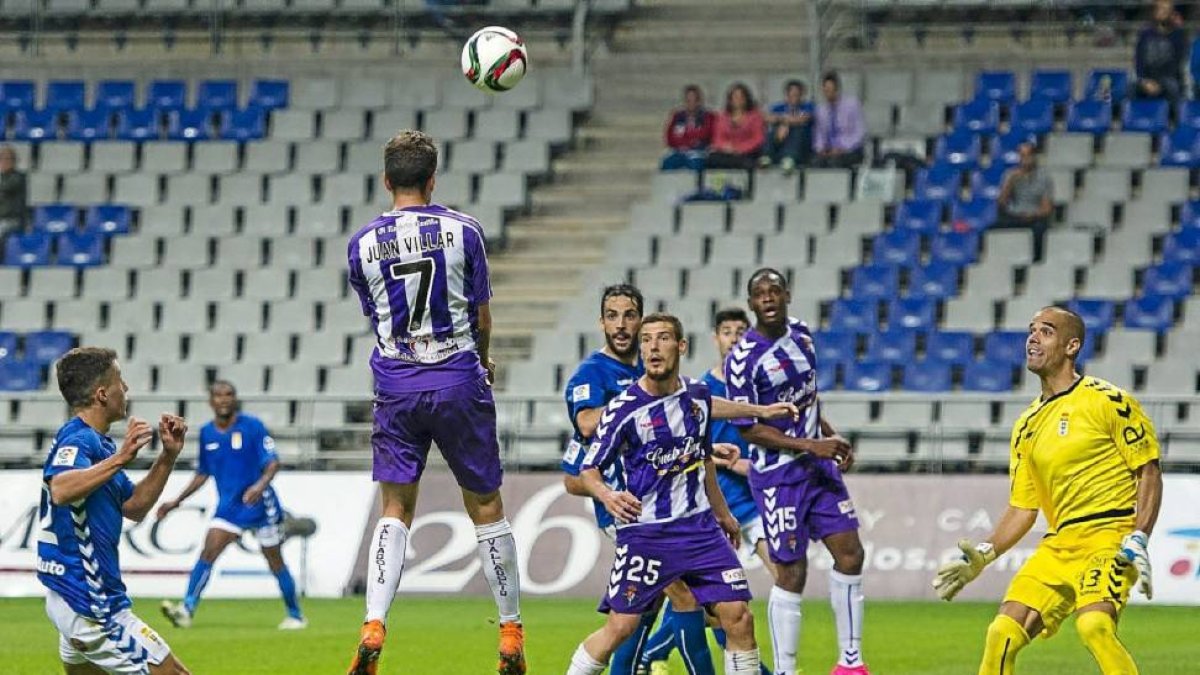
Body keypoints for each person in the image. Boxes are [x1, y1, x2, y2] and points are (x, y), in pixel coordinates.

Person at [344, 130, 525, 675]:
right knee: (486, 507)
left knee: (395, 509)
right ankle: (511, 630)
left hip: (397, 384)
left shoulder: (361, 244)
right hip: (457, 378)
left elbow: (375, 316)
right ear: (431, 180)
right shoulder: (463, 231)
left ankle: (374, 622)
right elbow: (482, 315)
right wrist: (484, 360)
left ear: (385, 180)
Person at [561, 285, 796, 675]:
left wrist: (724, 513)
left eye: (661, 338)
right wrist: (606, 494)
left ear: (680, 347)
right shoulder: (615, 401)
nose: (652, 346)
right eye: (648, 341)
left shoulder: (694, 396)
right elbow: (585, 460)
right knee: (624, 624)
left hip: (699, 529)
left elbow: (701, 446)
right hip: (646, 528)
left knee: (737, 616)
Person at [933, 306, 1162, 674]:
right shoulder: (1026, 424)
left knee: (1095, 626)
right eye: (1031, 330)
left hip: (1109, 540)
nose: (1033, 338)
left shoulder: (1107, 400)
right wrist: (984, 553)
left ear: (1072, 346)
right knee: (1001, 634)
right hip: (1058, 546)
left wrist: (1138, 536)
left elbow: (1148, 470)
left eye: (1047, 331)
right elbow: (1024, 508)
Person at [725, 268, 870, 675]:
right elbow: (749, 428)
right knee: (791, 571)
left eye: (775, 291)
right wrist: (811, 445)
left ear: (787, 295)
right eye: (760, 294)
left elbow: (809, 398)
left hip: (818, 468)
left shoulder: (803, 335)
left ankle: (851, 664)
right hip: (778, 476)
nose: (768, 299)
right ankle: (788, 670)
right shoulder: (743, 359)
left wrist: (830, 437)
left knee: (851, 554)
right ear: (752, 303)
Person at [36, 346, 191, 674]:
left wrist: (168, 456)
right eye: (121, 381)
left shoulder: (98, 445)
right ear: (102, 394)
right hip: (90, 602)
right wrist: (121, 458)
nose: (127, 389)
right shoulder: (79, 440)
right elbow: (61, 489)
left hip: (76, 597)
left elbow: (134, 507)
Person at [638, 308, 776, 675]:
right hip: (706, 507)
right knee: (711, 605)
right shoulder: (697, 389)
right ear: (716, 338)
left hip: (753, 502)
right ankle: (649, 656)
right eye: (726, 331)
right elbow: (688, 448)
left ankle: (650, 657)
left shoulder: (756, 387)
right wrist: (730, 462)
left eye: (740, 331)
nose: (733, 338)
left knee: (780, 581)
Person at [157, 380, 305, 630]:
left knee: (275, 560)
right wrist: (176, 501)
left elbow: (273, 463)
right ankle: (186, 609)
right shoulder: (206, 433)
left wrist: (259, 486)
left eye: (229, 395)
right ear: (210, 401)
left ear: (234, 399)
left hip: (260, 505)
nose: (224, 399)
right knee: (208, 551)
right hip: (230, 507)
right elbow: (203, 473)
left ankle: (295, 615)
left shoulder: (253, 427)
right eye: (219, 395)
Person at [994, 142, 1054, 262]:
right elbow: (1001, 203)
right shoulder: (1010, 175)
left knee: (1039, 229)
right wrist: (1010, 181)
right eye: (1022, 155)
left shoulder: (1044, 178)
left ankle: (1036, 261)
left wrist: (1033, 215)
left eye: (1028, 155)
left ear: (1034, 156)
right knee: (995, 226)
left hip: (1034, 217)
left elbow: (1047, 208)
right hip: (1015, 215)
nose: (1025, 159)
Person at [1134, 0, 1186, 104]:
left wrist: (1159, 83)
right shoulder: (1145, 34)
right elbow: (1139, 59)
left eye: (1166, 10)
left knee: (1173, 87)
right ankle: (1134, 118)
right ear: (1154, 12)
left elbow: (1177, 62)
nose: (1163, 12)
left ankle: (1175, 118)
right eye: (1160, 9)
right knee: (1130, 86)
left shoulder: (1177, 35)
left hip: (1168, 78)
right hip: (1147, 78)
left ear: (1172, 13)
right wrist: (1144, 80)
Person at [812, 72, 866, 169]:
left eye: (829, 90)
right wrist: (820, 149)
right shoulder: (821, 110)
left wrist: (843, 148)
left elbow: (859, 133)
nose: (827, 93)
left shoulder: (852, 105)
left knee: (835, 162)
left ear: (836, 89)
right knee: (816, 162)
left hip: (850, 149)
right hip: (829, 149)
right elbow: (819, 134)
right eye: (825, 90)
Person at [706, 83, 766, 171]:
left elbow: (758, 138)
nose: (738, 100)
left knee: (749, 160)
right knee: (712, 158)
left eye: (741, 97)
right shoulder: (722, 117)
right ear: (730, 100)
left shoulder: (755, 116)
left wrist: (739, 149)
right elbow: (717, 138)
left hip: (747, 152)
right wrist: (725, 147)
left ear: (746, 99)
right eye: (735, 97)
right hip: (726, 152)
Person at [761, 80, 814, 174]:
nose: (794, 97)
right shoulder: (778, 107)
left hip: (801, 147)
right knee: (771, 130)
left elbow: (803, 118)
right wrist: (783, 123)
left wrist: (785, 123)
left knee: (797, 129)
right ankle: (766, 157)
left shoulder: (808, 106)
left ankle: (789, 158)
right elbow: (768, 118)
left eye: (796, 94)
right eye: (791, 94)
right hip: (781, 142)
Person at [662, 85, 715, 172]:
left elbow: (705, 134)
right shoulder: (678, 116)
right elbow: (670, 138)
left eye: (694, 100)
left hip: (699, 152)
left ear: (699, 101)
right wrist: (689, 140)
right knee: (668, 163)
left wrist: (687, 137)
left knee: (696, 164)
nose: (691, 103)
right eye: (688, 100)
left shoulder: (708, 116)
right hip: (680, 151)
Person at [0, 144, 27, 238]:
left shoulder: (18, 177)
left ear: (14, 161)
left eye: (8, 159)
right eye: (2, 159)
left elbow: (5, 187)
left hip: (12, 220)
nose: (4, 162)